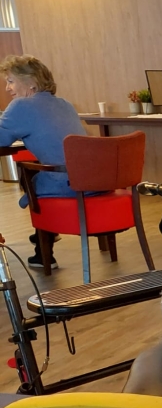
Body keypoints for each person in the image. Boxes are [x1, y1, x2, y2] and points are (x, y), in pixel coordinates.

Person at [0, 55, 86, 269]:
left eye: (10, 81)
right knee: (35, 171)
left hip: (65, 183)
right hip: (89, 178)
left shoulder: (22, 105)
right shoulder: (65, 104)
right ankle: (43, 238)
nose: (7, 88)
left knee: (28, 175)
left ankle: (44, 244)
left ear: (31, 81)